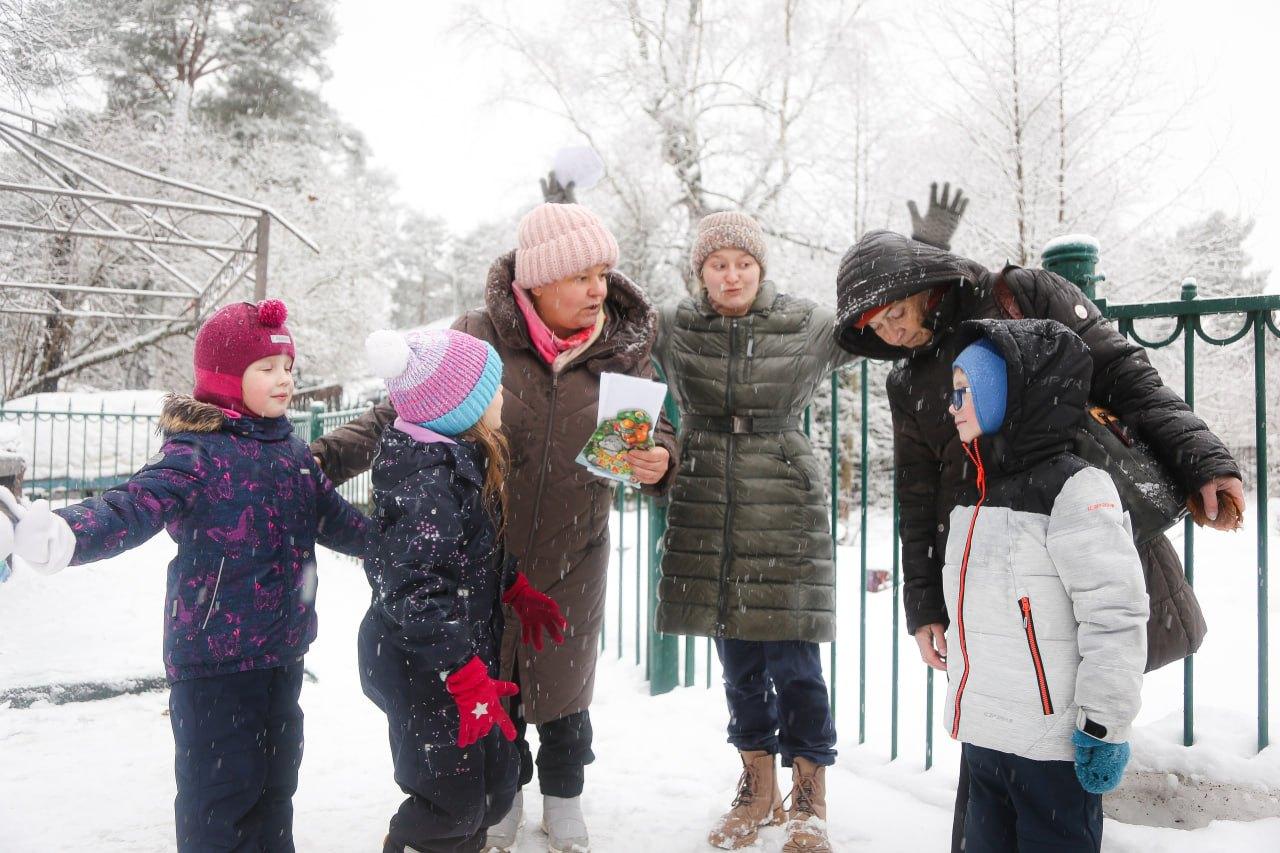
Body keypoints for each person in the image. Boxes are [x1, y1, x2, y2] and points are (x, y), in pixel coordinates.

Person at [833, 228, 1243, 850]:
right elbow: (918, 493)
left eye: (896, 313)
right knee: (997, 752)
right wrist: (924, 604)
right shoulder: (906, 380)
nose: (891, 333)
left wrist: (1201, 458)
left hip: (1067, 537)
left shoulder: (1019, 294)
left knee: (1067, 714)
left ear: (926, 287)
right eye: (875, 327)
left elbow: (1125, 375)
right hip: (986, 577)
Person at [311, 202, 677, 853]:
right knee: (490, 675)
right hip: (485, 550)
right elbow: (400, 412)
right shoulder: (477, 335)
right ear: (538, 280)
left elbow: (655, 431)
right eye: (581, 276)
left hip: (573, 548)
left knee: (564, 683)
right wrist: (320, 460)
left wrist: (660, 459)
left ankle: (564, 795)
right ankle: (503, 794)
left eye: (602, 274)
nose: (598, 289)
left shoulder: (622, 350)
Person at [9, 299, 369, 852]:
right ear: (226, 379)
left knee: (276, 791)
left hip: (282, 654)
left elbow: (337, 520)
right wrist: (67, 532)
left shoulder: (294, 453)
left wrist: (397, 545)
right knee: (218, 801)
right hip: (214, 663)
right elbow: (132, 505)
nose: (284, 379)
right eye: (267, 368)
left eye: (288, 366)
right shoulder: (196, 453)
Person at [653, 211, 860, 853]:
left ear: (760, 268)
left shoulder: (804, 323)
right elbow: (615, 338)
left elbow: (872, 329)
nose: (732, 275)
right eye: (718, 264)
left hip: (784, 500)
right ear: (701, 272)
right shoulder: (675, 325)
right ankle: (756, 789)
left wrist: (923, 255)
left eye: (743, 263)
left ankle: (809, 796)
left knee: (795, 662)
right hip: (707, 498)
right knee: (738, 660)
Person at [359, 328, 568, 853]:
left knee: (493, 788)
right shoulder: (424, 485)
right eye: (493, 388)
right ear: (458, 408)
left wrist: (513, 586)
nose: (503, 397)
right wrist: (458, 668)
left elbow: (470, 552)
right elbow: (415, 591)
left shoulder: (459, 461)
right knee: (450, 802)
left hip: (463, 661)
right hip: (426, 670)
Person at [943, 319, 1147, 852]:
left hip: (1052, 748)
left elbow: (1115, 613)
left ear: (1004, 395)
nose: (952, 406)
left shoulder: (1075, 489)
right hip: (986, 738)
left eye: (965, 392)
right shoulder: (973, 492)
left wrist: (1103, 726)